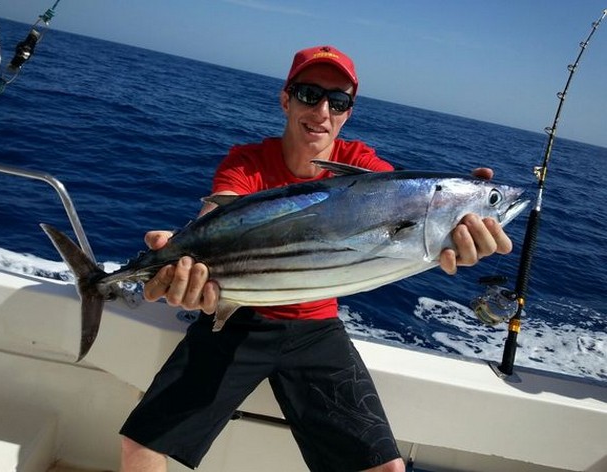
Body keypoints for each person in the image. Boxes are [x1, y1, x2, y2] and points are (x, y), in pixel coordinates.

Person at [119, 45, 512, 472]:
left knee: (387, 469)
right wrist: (179, 260)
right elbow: (219, 211)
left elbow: (403, 205)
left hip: (315, 328)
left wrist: (457, 230)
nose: (322, 111)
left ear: (348, 113)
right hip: (238, 317)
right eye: (309, 94)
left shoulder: (363, 167)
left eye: (337, 101)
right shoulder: (247, 162)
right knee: (141, 446)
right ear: (285, 99)